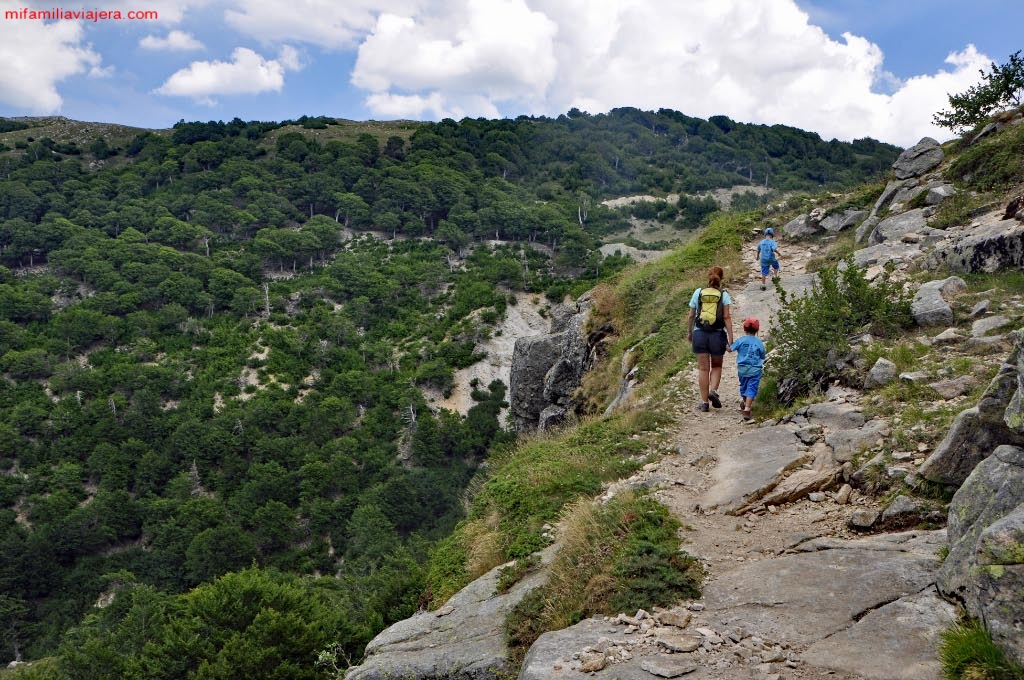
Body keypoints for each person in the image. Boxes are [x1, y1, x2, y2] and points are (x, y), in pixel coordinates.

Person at [686, 266, 734, 412]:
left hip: (700, 333)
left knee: (703, 368)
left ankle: (704, 402)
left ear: (708, 277)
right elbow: (726, 317)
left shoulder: (698, 292)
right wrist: (730, 339)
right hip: (717, 334)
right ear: (722, 278)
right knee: (717, 366)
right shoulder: (723, 295)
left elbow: (691, 315)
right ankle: (713, 390)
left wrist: (690, 332)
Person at [731, 317, 766, 419]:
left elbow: (730, 349)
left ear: (744, 329)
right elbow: (763, 355)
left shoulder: (740, 340)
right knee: (752, 388)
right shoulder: (759, 342)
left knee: (744, 386)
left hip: (742, 369)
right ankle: (747, 409)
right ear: (757, 330)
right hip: (755, 369)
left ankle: (745, 403)